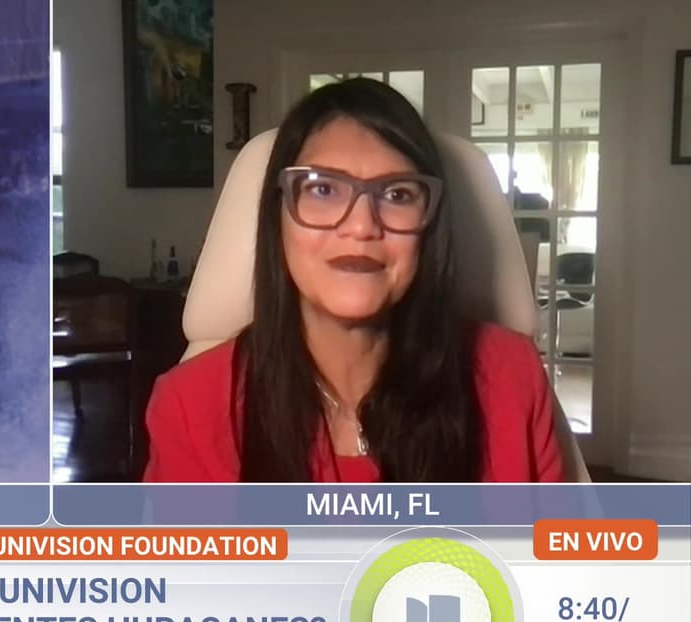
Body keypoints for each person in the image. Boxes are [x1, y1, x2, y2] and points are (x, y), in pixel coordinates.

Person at [144, 79, 563, 483]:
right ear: (278, 218)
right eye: (323, 189)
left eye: (397, 195)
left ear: (429, 226)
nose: (362, 226)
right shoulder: (190, 406)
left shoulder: (513, 376)